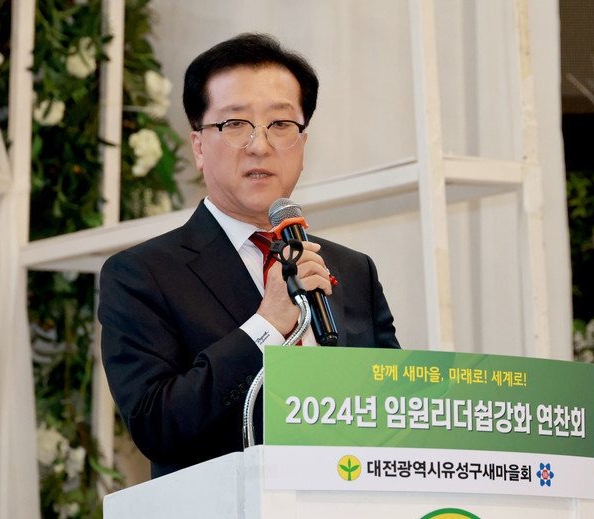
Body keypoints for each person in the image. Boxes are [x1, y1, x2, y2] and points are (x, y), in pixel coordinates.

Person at [98, 33, 400, 479]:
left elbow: (394, 411)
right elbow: (156, 426)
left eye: (280, 124)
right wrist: (267, 325)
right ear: (199, 147)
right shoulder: (142, 274)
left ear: (303, 145)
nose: (260, 145)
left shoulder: (354, 270)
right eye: (235, 124)